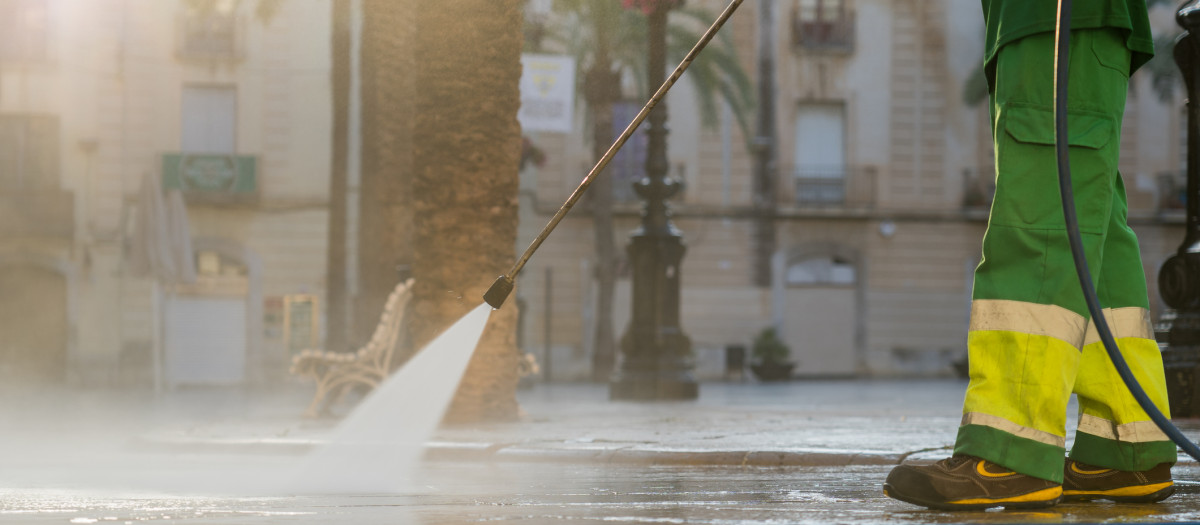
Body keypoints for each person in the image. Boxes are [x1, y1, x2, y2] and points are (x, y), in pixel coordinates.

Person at [883, 0, 1175, 510]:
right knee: (1089, 232)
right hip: (1067, 25)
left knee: (1037, 222)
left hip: (1055, 18)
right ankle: (1125, 449)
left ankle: (1010, 454)